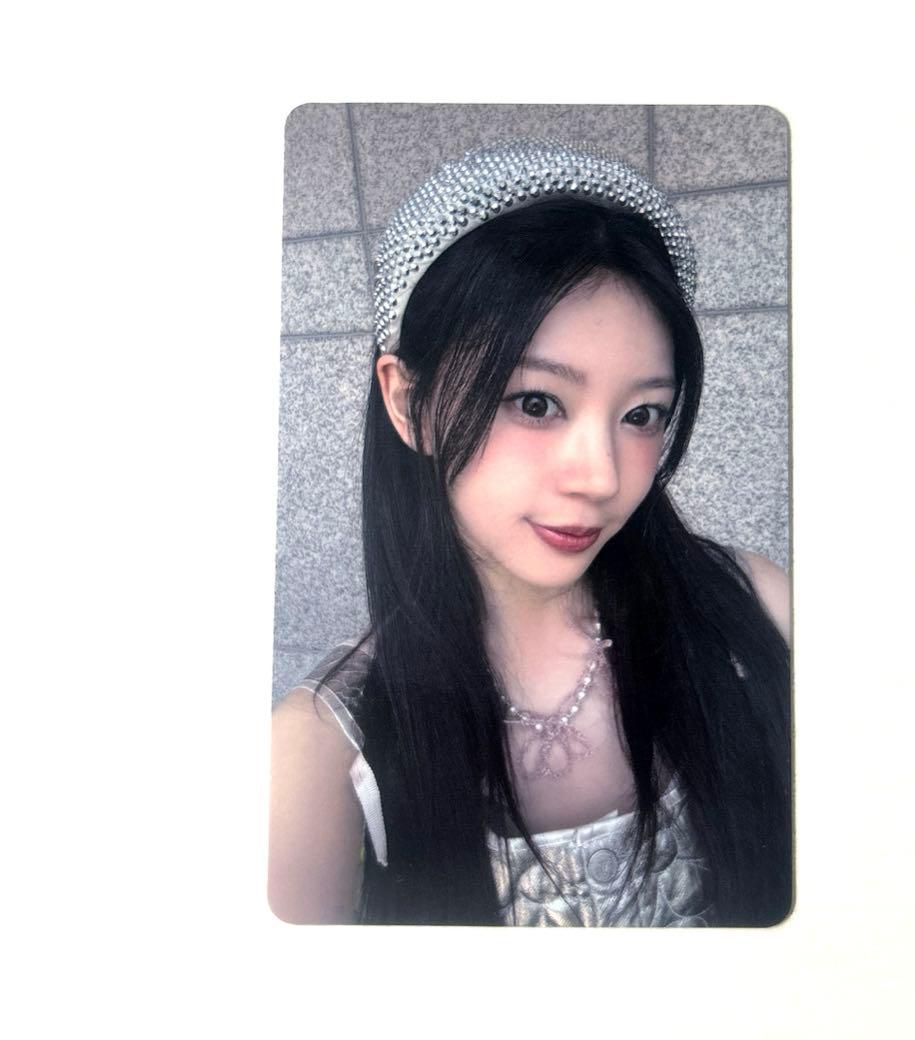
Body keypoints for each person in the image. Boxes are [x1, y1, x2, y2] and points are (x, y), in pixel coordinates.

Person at [269, 139, 792, 927]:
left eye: (641, 414)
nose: (601, 477)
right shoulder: (319, 758)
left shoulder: (756, 615)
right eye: (537, 403)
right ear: (407, 402)